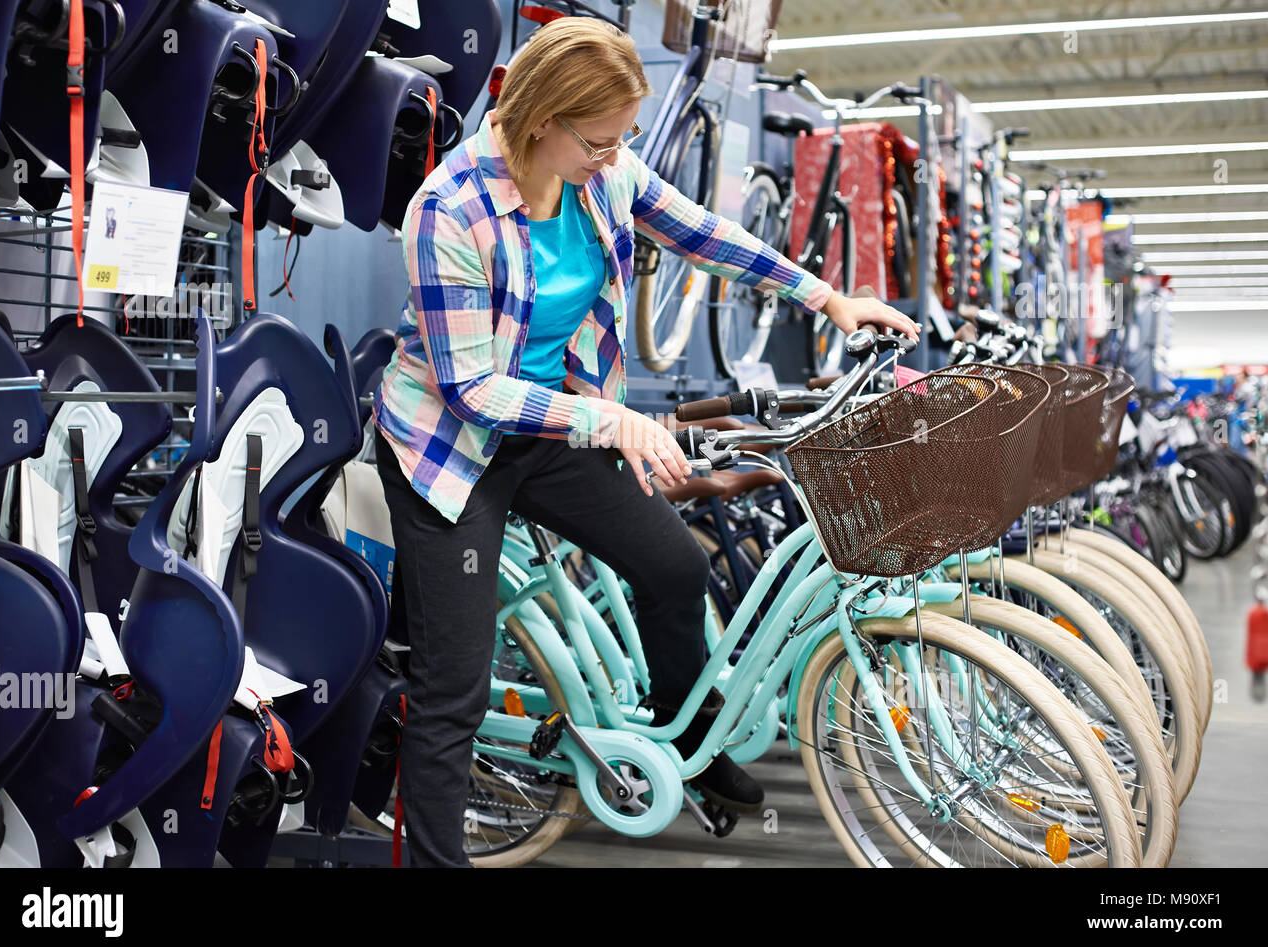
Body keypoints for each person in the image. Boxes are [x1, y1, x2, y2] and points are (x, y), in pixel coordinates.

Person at [373, 16, 920, 867]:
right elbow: (471, 389)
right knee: (453, 690)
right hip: (452, 451)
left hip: (553, 425)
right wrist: (612, 420)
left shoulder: (602, 173)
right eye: (600, 139)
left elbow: (702, 232)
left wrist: (826, 298)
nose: (615, 154)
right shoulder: (448, 209)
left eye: (623, 137)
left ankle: (692, 744)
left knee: (676, 567)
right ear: (540, 122)